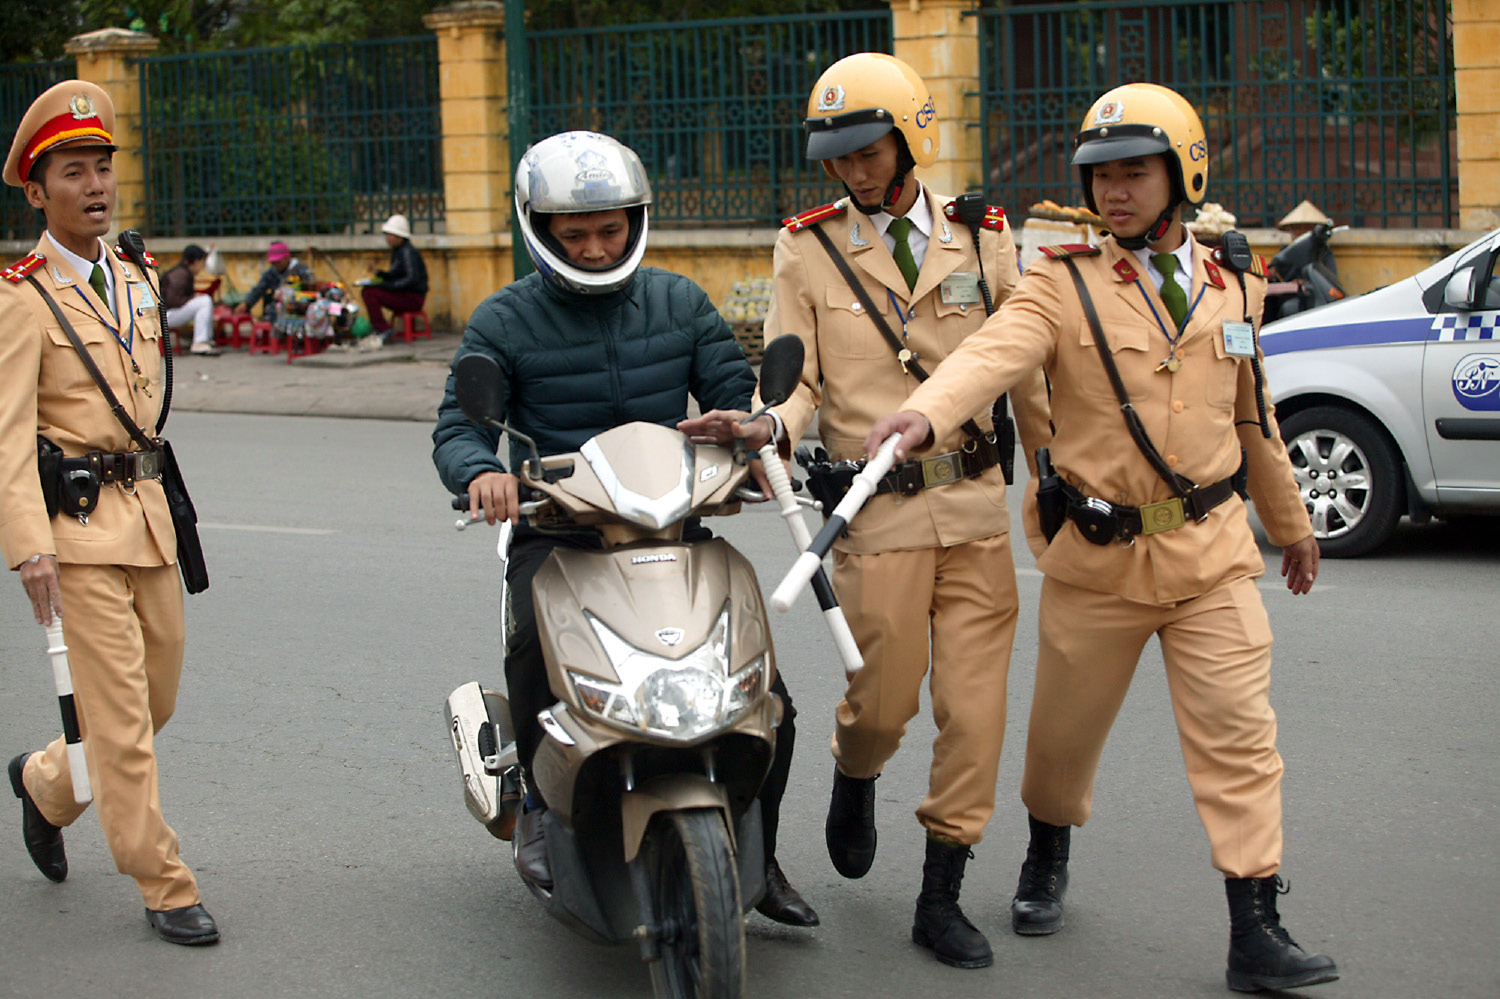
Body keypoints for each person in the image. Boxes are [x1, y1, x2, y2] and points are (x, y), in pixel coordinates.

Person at [864, 82, 1338, 993]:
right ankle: (1048, 849)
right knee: (1061, 744)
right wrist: (923, 417)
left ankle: (1255, 924)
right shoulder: (1060, 280)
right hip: (1098, 555)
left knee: (1241, 737)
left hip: (1213, 555)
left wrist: (1291, 524)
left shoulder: (1235, 279)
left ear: (1183, 173)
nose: (1115, 192)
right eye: (1101, 176)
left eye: (1136, 173)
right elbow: (992, 352)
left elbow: (1253, 419)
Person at [684, 52, 1052, 969]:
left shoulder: (985, 235)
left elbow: (1024, 362)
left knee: (973, 712)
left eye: (869, 150)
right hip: (873, 511)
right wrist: (769, 420)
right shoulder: (807, 246)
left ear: (910, 137)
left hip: (971, 504)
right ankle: (856, 774)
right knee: (883, 706)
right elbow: (798, 375)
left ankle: (941, 892)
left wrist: (1051, 473)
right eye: (839, 157)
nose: (854, 170)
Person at [432, 130, 817, 927]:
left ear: (636, 219)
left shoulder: (679, 302)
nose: (598, 248)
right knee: (537, 653)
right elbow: (458, 428)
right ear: (538, 230)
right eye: (576, 234)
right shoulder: (504, 319)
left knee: (766, 695)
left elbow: (732, 393)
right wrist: (482, 472)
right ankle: (540, 805)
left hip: (671, 525)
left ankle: (762, 850)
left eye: (611, 229)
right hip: (558, 532)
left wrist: (748, 427)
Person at [0, 80, 218, 946]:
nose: (94, 186)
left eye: (102, 168)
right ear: (36, 191)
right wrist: (28, 548)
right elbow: (9, 436)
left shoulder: (134, 274)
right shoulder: (20, 299)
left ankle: (47, 783)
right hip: (78, 533)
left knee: (151, 700)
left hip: (151, 516)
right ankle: (162, 880)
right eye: (73, 172)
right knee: (123, 723)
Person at [360, 213, 428, 349]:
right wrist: (379, 274)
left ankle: (383, 329)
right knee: (369, 290)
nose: (387, 238)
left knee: (370, 293)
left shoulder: (407, 252)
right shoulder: (399, 251)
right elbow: (395, 275)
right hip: (405, 294)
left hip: (412, 297)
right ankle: (381, 328)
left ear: (399, 236)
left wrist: (387, 286)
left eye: (390, 235)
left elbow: (410, 279)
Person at [234, 240, 314, 323]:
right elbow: (259, 289)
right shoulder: (270, 273)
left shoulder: (301, 270)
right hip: (275, 311)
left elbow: (310, 290)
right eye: (273, 262)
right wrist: (247, 303)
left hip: (296, 309)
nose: (276, 264)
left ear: (287, 258)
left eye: (278, 261)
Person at [161, 243, 218, 356]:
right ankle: (200, 342)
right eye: (202, 261)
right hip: (166, 315)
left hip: (168, 313)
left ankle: (207, 339)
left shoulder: (184, 272)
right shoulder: (180, 274)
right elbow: (173, 301)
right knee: (204, 301)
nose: (204, 265)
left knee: (204, 300)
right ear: (196, 261)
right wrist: (192, 298)